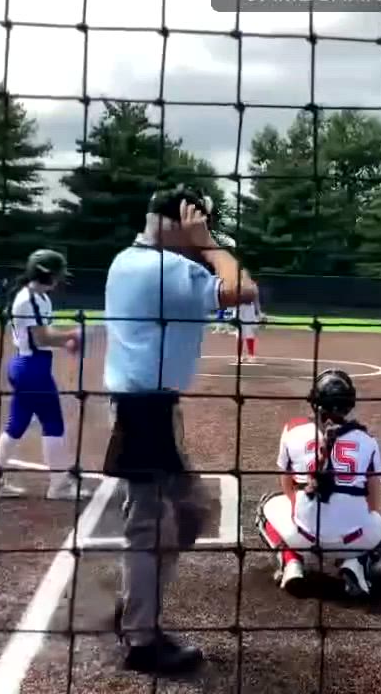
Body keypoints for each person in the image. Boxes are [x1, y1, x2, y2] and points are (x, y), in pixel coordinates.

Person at [102, 185, 258, 675]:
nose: (198, 236)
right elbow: (244, 289)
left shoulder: (127, 261)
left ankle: (136, 606)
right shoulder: (166, 269)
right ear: (179, 221)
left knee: (184, 516)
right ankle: (141, 638)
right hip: (143, 410)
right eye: (195, 224)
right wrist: (208, 243)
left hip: (148, 408)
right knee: (152, 524)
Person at [255, 369, 381, 599]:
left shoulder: (293, 430)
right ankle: (355, 564)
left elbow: (287, 487)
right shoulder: (368, 440)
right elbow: (373, 504)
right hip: (353, 541)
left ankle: (291, 561)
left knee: (265, 506)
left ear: (314, 400)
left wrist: (308, 506)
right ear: (350, 403)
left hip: (303, 536)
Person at [0, 249, 87, 501]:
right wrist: (73, 335)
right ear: (46, 274)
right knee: (53, 423)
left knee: (16, 425)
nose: (59, 280)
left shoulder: (39, 298)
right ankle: (58, 486)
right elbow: (41, 338)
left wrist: (65, 342)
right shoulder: (28, 299)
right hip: (32, 370)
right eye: (57, 275)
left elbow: (43, 335)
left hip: (28, 367)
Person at [236, 295, 263, 363]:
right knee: (240, 334)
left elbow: (255, 298)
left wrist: (259, 312)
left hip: (249, 307)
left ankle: (251, 355)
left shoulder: (252, 288)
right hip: (239, 307)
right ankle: (239, 356)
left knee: (250, 332)